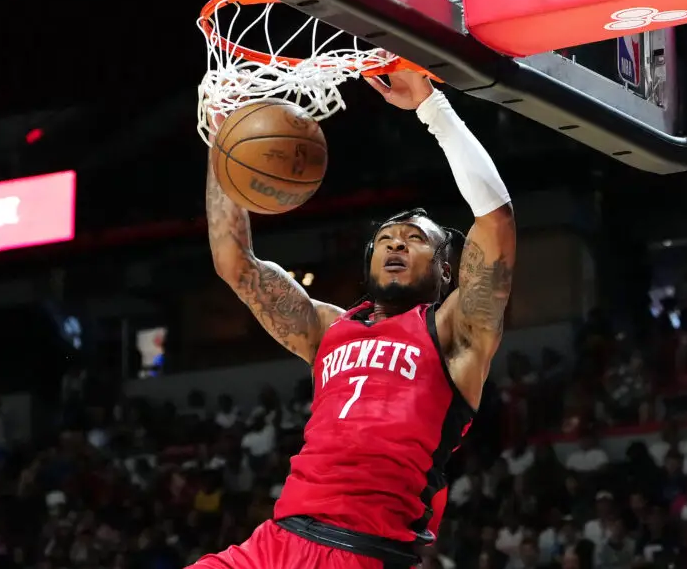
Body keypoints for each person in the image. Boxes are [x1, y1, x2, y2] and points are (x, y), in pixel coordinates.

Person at [195, 69, 515, 568]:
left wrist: (432, 108)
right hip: (275, 543)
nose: (396, 243)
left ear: (445, 268)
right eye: (386, 237)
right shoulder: (329, 330)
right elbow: (235, 263)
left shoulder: (455, 332)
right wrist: (224, 140)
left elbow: (495, 219)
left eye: (415, 238)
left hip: (360, 552)